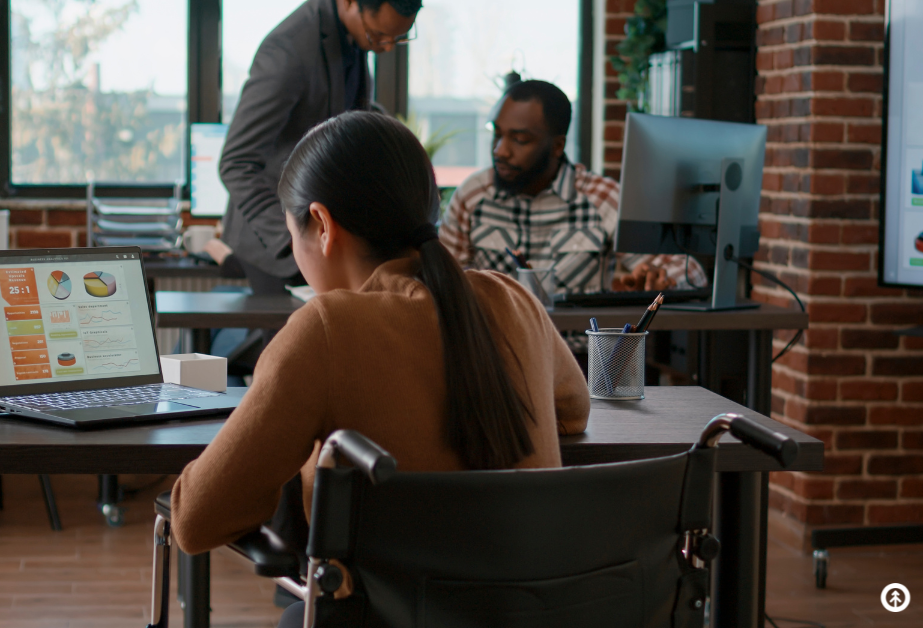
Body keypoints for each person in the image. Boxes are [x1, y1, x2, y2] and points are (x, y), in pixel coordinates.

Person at [171, 112, 590, 626]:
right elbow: (573, 412)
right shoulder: (511, 298)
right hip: (531, 613)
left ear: (321, 226)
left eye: (291, 235)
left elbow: (196, 520)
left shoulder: (323, 329)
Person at [219, 0, 420, 296]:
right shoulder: (290, 50)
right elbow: (236, 162)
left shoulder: (352, 37)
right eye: (379, 36)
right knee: (293, 341)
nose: (387, 48)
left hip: (325, 237)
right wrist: (294, 236)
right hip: (276, 242)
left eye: (398, 39)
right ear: (349, 2)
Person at [440, 79, 706, 294]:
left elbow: (690, 273)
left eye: (519, 139)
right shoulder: (472, 196)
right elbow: (442, 281)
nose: (500, 151)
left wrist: (660, 279)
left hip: (578, 356)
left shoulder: (602, 198)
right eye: (496, 134)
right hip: (497, 357)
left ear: (557, 146)